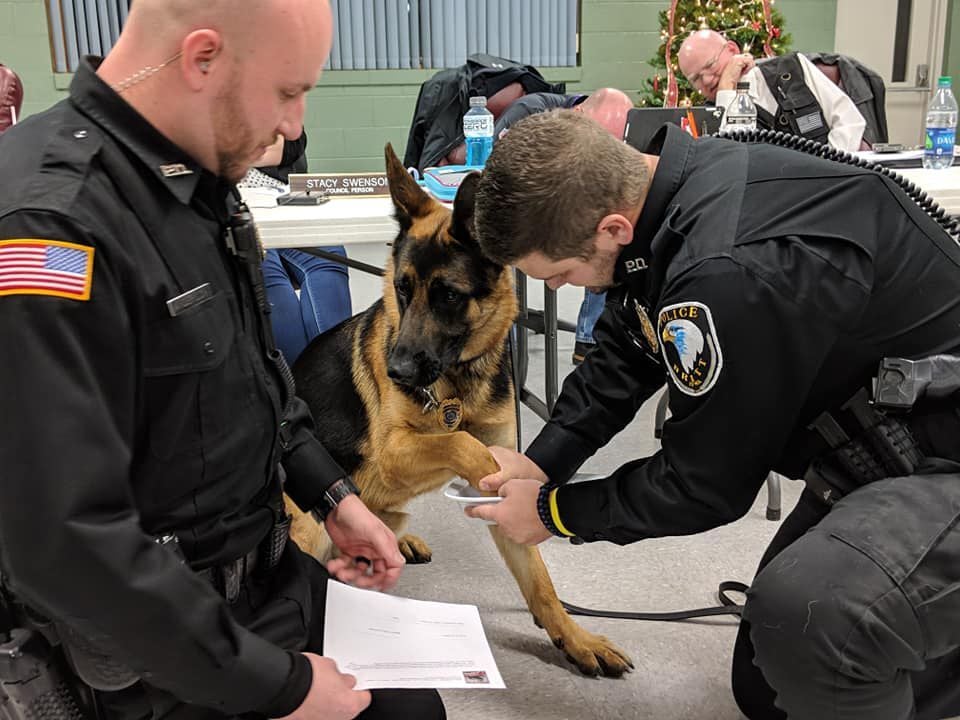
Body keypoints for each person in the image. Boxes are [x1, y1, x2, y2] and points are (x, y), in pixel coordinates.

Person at [0, 2, 445, 720]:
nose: (295, 125)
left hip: (263, 574)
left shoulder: (193, 180)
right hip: (148, 644)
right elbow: (61, 541)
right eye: (287, 91)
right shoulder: (52, 225)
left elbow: (253, 380)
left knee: (413, 704)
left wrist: (334, 497)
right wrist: (282, 687)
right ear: (202, 58)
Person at [464, 109, 960, 719]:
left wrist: (553, 514)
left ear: (613, 226)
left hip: (940, 458)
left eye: (561, 273)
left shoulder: (724, 268)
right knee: (768, 686)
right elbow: (630, 344)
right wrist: (543, 464)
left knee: (817, 633)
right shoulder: (669, 199)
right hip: (881, 444)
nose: (564, 290)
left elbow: (704, 485)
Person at [450, 87, 635, 365]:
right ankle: (501, 349)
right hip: (529, 211)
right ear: (579, 116)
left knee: (605, 250)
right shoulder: (528, 113)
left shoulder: (605, 123)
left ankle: (590, 339)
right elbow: (492, 176)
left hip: (576, 206)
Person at [250, 131, 352, 363]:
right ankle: (296, 380)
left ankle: (336, 370)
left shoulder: (269, 98)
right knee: (264, 270)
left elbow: (282, 147)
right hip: (236, 208)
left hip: (281, 198)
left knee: (331, 257)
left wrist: (231, 150)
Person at [678, 29, 867, 152]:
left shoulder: (793, 67)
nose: (707, 80)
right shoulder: (709, 118)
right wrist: (726, 90)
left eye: (710, 65)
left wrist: (832, 167)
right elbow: (734, 157)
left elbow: (848, 120)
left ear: (732, 49)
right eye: (696, 78)